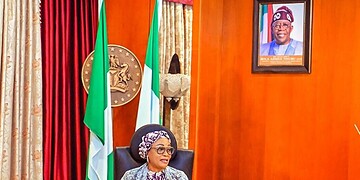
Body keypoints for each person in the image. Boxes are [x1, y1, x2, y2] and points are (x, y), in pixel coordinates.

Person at [121, 128, 188, 180]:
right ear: (147, 151)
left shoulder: (179, 177)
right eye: (161, 149)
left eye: (169, 150)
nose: (166, 154)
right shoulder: (131, 177)